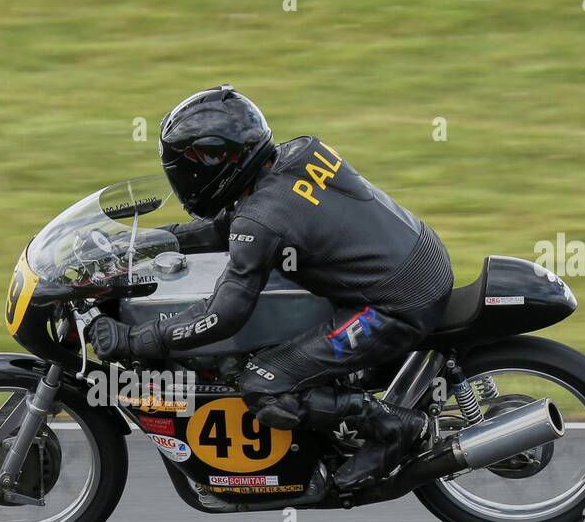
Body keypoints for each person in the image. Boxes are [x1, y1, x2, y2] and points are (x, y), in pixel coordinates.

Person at [88, 85, 455, 489]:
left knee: (262, 383)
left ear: (211, 166)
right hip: (420, 258)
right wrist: (144, 242)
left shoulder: (262, 219)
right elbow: (234, 226)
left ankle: (395, 428)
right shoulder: (300, 152)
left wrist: (140, 339)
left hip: (395, 305)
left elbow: (221, 316)